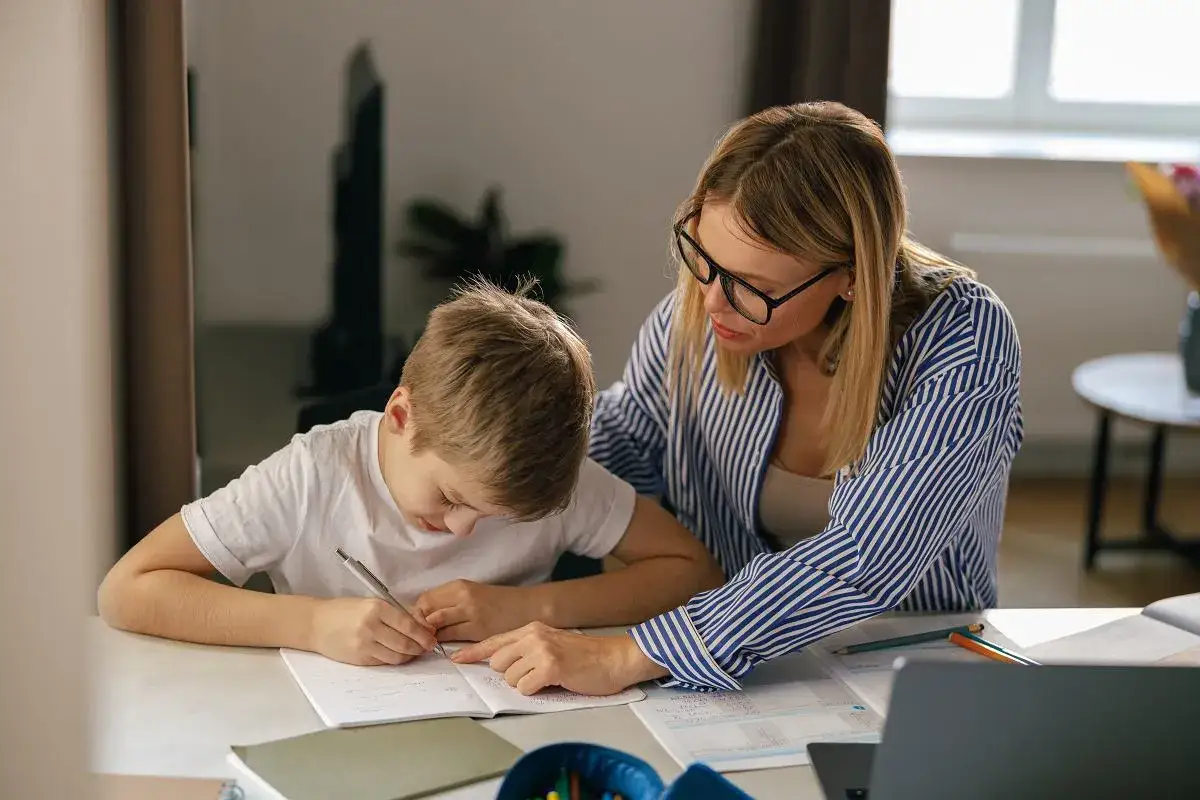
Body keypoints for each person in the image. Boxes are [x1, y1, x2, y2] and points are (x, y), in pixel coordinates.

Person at [452, 102, 1024, 696]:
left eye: (756, 288)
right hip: (740, 672)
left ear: (852, 275)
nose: (712, 302)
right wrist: (450, 494)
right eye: (705, 259)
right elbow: (617, 448)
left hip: (907, 656)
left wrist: (632, 653)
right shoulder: (699, 314)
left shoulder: (965, 340)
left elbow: (867, 557)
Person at [98, 282, 724, 666]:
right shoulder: (314, 475)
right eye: (452, 497)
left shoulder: (548, 476)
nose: (461, 531)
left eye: (497, 519)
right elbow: (128, 589)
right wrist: (310, 624)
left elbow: (694, 571)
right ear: (402, 416)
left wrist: (530, 606)